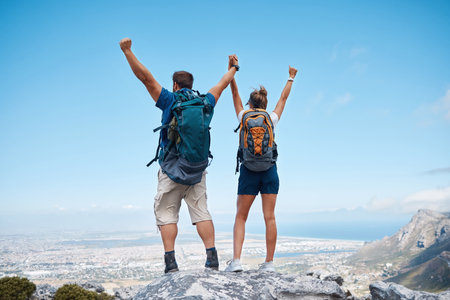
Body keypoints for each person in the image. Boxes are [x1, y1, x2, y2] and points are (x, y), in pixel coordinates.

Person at [119, 37, 239, 273]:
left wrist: (127, 51)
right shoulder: (205, 101)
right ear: (191, 85)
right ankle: (211, 259)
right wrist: (233, 67)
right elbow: (222, 84)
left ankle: (171, 262)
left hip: (171, 170)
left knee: (166, 213)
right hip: (197, 170)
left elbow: (145, 78)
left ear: (175, 85)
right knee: (201, 212)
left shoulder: (169, 100)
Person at [225, 56, 298, 272]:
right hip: (269, 171)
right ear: (264, 104)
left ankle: (237, 261)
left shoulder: (244, 115)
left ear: (250, 103)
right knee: (270, 217)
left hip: (248, 171)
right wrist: (290, 78)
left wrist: (232, 71)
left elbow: (234, 94)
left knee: (241, 216)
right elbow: (283, 100)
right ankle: (269, 263)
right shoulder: (271, 118)